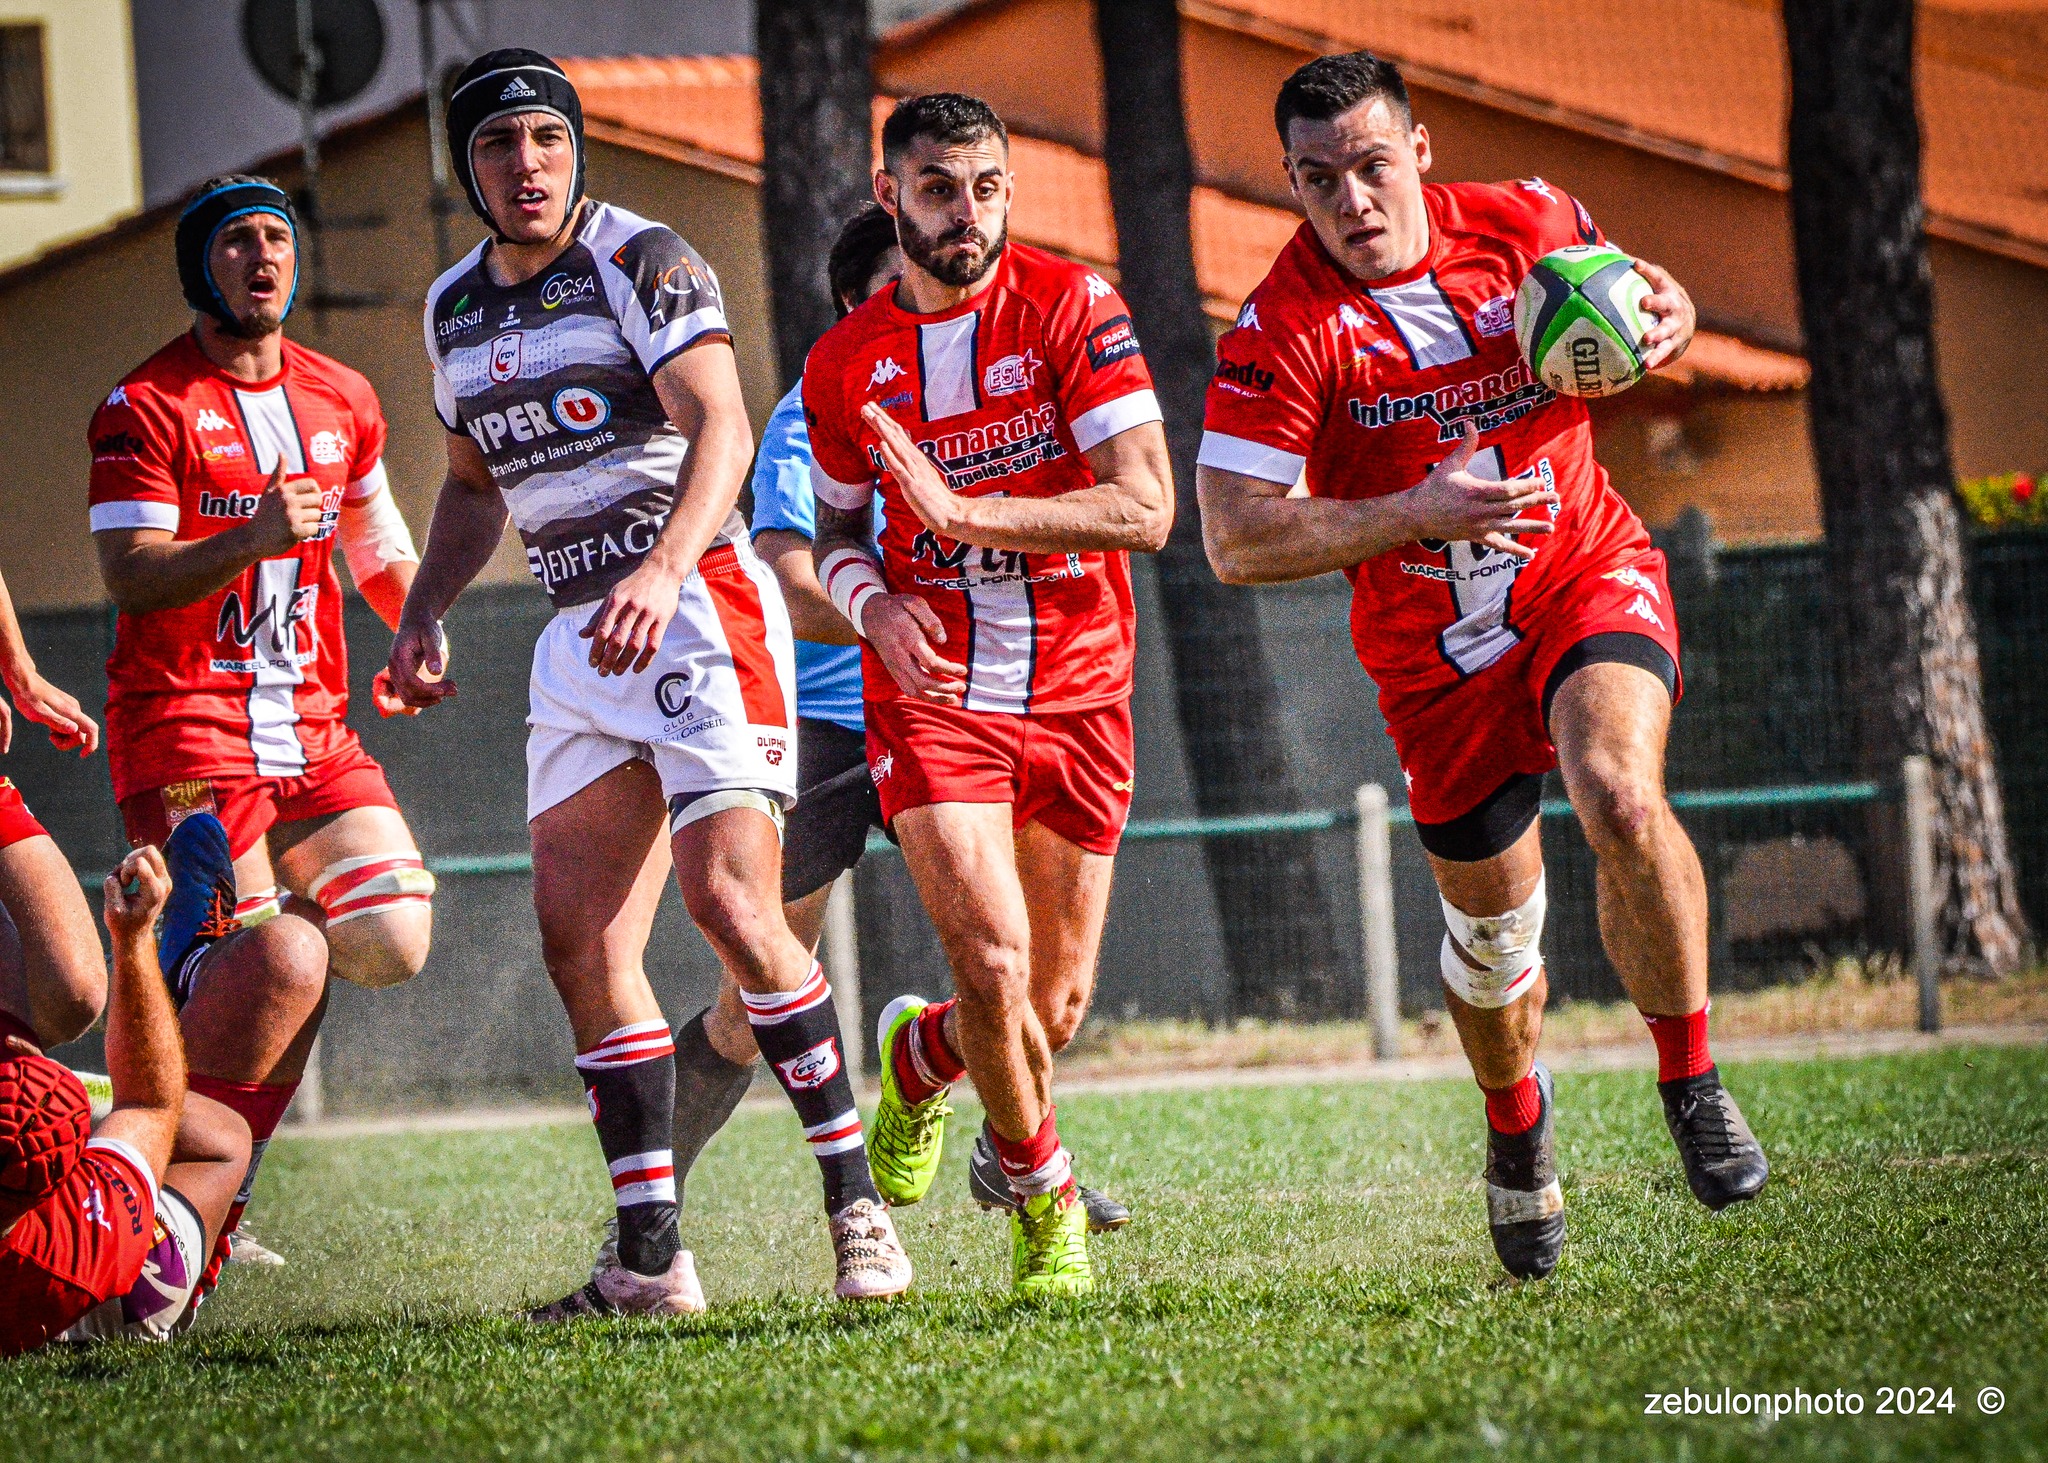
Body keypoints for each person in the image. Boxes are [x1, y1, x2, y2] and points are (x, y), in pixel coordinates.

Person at [1196, 52, 1769, 1281]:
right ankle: (1516, 1126)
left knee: (1618, 791)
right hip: (1432, 659)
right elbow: (1234, 536)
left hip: (1579, 573)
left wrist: (1661, 317)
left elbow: (1639, 303)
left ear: (1419, 149)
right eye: (1317, 179)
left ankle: (1690, 1076)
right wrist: (1416, 509)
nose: (1350, 199)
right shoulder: (1279, 328)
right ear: (1292, 186)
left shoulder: (1526, 223)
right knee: (1496, 946)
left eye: (1369, 165)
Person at [385, 48, 910, 1317]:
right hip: (579, 634)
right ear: (468, 166)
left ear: (577, 151)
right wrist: (422, 608)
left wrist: (667, 570)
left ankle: (858, 1213)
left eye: (548, 140)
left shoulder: (645, 255)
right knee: (578, 942)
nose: (528, 165)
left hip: (693, 609)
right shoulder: (453, 307)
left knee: (734, 904)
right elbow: (469, 486)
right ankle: (650, 1254)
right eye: (501, 145)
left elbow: (720, 422)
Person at [669, 204, 1130, 1235]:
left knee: (1031, 984)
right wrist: (888, 619)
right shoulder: (809, 413)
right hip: (830, 729)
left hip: (982, 712)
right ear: (855, 310)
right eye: (901, 290)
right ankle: (648, 1207)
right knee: (747, 1006)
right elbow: (787, 583)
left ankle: (1001, 1143)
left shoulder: (1015, 385)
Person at [804, 94, 1173, 1294]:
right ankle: (1042, 1192)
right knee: (997, 962)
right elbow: (832, 540)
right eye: (936, 188)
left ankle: (917, 1060)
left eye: (985, 187)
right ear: (888, 195)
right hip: (931, 689)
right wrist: (872, 606)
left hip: (1076, 680)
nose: (964, 213)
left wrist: (967, 514)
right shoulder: (845, 363)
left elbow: (1146, 507)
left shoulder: (1074, 309)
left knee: (1049, 1005)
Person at [86, 174, 438, 1272]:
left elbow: (377, 547)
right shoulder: (141, 406)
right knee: (256, 976)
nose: (263, 257)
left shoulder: (341, 397)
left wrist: (418, 626)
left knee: (384, 934)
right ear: (203, 268)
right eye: (237, 241)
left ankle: (192, 1155)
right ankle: (161, 1190)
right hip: (187, 727)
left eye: (278, 237)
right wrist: (250, 536)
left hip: (314, 731)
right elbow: (130, 576)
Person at [1, 833, 253, 1355]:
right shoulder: (67, 1242)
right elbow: (148, 1104)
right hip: (107, 1277)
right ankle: (87, 1110)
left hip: (69, 1285)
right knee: (222, 1135)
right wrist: (134, 938)